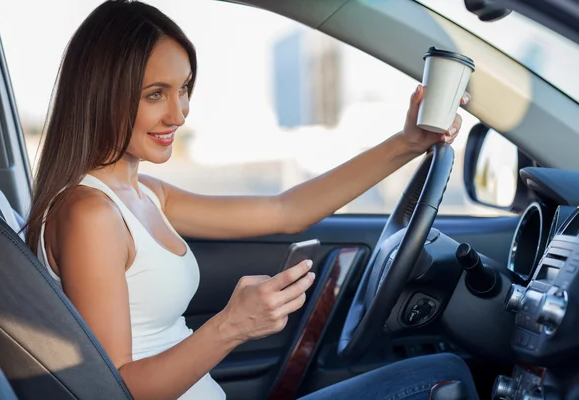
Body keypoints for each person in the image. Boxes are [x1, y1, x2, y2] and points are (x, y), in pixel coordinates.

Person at [24, 1, 478, 399]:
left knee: (442, 373)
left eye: (184, 89)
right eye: (155, 95)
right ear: (103, 95)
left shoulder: (145, 194)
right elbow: (116, 389)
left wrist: (406, 143)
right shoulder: (89, 213)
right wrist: (231, 325)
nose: (179, 114)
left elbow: (285, 211)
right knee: (441, 377)